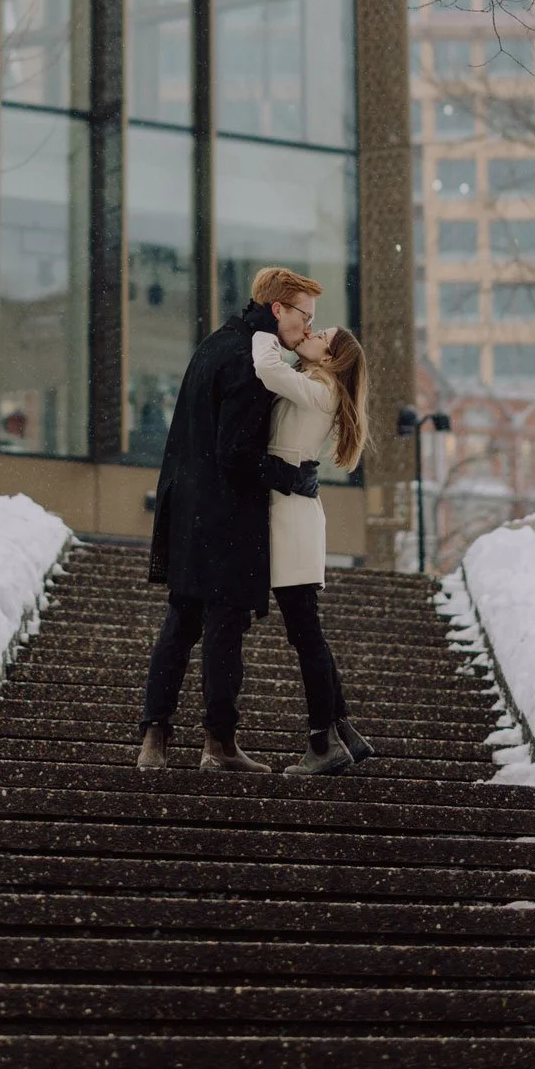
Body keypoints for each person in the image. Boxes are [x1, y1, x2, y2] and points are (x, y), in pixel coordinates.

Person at [135, 267, 320, 773]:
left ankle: (154, 738)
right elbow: (237, 453)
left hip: (188, 506)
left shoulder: (218, 342)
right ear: (278, 309)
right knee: (223, 630)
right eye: (306, 315)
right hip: (227, 516)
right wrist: (291, 475)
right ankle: (218, 744)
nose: (308, 328)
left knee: (181, 623)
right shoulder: (250, 362)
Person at [254, 320, 375, 776]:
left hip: (293, 520)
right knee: (308, 633)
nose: (312, 332)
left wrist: (268, 326)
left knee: (305, 634)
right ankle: (342, 731)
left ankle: (322, 743)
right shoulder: (315, 384)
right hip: (291, 514)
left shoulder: (321, 391)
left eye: (321, 334)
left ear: (331, 357)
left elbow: (267, 368)